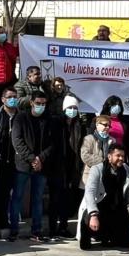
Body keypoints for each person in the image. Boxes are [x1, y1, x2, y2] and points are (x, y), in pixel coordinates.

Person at [9, 91, 54, 242]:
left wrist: (40, 159)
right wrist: (31, 159)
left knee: (37, 199)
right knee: (17, 197)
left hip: (41, 166)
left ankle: (36, 230)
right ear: (31, 103)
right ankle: (14, 230)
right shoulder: (21, 117)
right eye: (38, 103)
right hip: (22, 165)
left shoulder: (48, 119)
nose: (41, 106)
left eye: (43, 103)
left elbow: (52, 143)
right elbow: (17, 140)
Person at [79, 143, 129, 250]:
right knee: (87, 218)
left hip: (118, 210)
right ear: (109, 157)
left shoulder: (125, 169)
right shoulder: (97, 169)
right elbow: (89, 192)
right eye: (118, 155)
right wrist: (93, 214)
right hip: (101, 207)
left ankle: (112, 236)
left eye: (123, 156)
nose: (121, 158)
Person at [48, 94, 84, 239]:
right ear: (64, 109)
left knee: (66, 199)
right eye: (70, 108)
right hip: (57, 167)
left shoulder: (78, 125)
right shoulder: (56, 123)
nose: (72, 110)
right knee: (54, 199)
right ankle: (52, 228)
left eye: (75, 108)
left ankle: (63, 226)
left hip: (72, 167)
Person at [0, 87, 19, 238]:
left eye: (15, 96)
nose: (13, 99)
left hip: (14, 161)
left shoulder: (20, 116)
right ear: (3, 99)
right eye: (9, 97)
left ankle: (5, 221)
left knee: (8, 193)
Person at [81, 115, 117, 187]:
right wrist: (103, 161)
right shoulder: (89, 139)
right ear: (97, 125)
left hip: (107, 176)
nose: (107, 127)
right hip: (90, 176)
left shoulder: (112, 140)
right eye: (105, 125)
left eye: (109, 126)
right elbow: (85, 156)